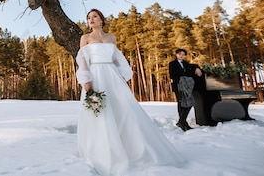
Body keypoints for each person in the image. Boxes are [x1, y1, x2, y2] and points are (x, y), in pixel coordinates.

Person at [76, 9, 184, 175]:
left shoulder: (111, 38)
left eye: (95, 16)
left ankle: (131, 148)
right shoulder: (85, 38)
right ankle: (102, 152)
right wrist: (87, 83)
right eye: (89, 17)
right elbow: (82, 61)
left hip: (112, 76)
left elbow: (116, 58)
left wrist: (121, 74)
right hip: (96, 76)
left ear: (101, 20)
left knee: (124, 109)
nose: (91, 19)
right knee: (101, 113)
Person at [168, 48, 203, 131]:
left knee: (189, 103)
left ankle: (182, 121)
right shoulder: (172, 64)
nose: (181, 56)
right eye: (180, 54)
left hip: (187, 87)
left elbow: (193, 66)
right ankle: (183, 122)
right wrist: (182, 79)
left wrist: (197, 68)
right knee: (181, 104)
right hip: (178, 87)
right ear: (176, 54)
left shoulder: (186, 64)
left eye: (183, 54)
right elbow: (172, 75)